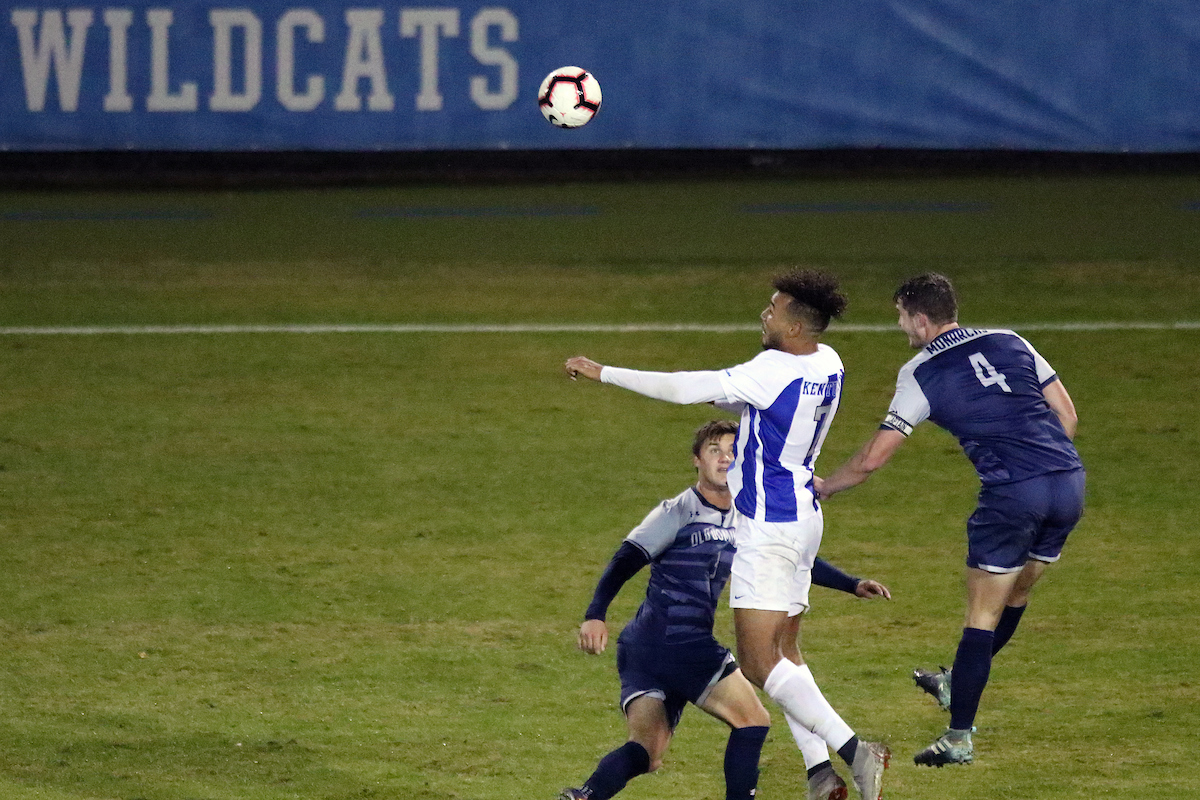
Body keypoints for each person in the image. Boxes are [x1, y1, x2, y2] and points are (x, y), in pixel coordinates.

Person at [565, 270, 890, 800]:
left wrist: (605, 372)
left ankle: (854, 750)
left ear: (794, 326)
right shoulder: (829, 362)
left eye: (773, 309)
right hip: (805, 515)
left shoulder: (770, 369)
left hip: (766, 525)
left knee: (759, 662)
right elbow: (765, 406)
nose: (765, 314)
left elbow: (682, 388)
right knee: (787, 652)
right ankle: (819, 771)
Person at [815, 272, 1085, 767]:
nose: (901, 326)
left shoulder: (921, 372)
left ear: (921, 319)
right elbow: (1067, 416)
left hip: (1013, 497)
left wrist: (827, 485)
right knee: (1017, 593)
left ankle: (958, 738)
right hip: (1068, 483)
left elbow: (874, 457)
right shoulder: (1011, 339)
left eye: (901, 317)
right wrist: (1040, 462)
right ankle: (955, 682)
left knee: (981, 615)